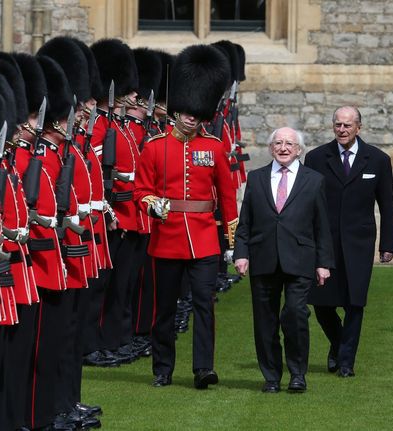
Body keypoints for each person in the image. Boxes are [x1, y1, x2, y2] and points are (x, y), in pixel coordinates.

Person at [134, 44, 238, 389]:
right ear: (177, 109)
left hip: (205, 238)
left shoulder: (214, 147)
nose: (191, 117)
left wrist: (232, 241)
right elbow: (140, 190)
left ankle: (203, 368)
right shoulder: (155, 146)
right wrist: (153, 203)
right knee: (164, 309)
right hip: (167, 239)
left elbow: (226, 195)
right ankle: (162, 368)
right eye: (187, 111)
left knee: (205, 308)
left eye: (197, 112)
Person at [233, 127, 334, 393]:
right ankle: (271, 377)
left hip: (300, 259)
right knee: (265, 321)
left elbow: (322, 226)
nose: (283, 148)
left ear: (299, 150)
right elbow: (246, 222)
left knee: (295, 313)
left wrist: (323, 263)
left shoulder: (314, 180)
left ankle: (297, 373)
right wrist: (241, 253)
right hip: (263, 257)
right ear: (270, 148)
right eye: (278, 143)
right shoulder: (256, 178)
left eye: (289, 143)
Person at [304, 106, 393, 378]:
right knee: (321, 302)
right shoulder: (316, 158)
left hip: (359, 242)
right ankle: (339, 343)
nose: (342, 130)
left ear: (359, 127)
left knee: (355, 303)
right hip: (325, 242)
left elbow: (386, 205)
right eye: (337, 125)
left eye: (347, 125)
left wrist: (388, 244)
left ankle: (346, 362)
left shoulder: (378, 160)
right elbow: (307, 203)